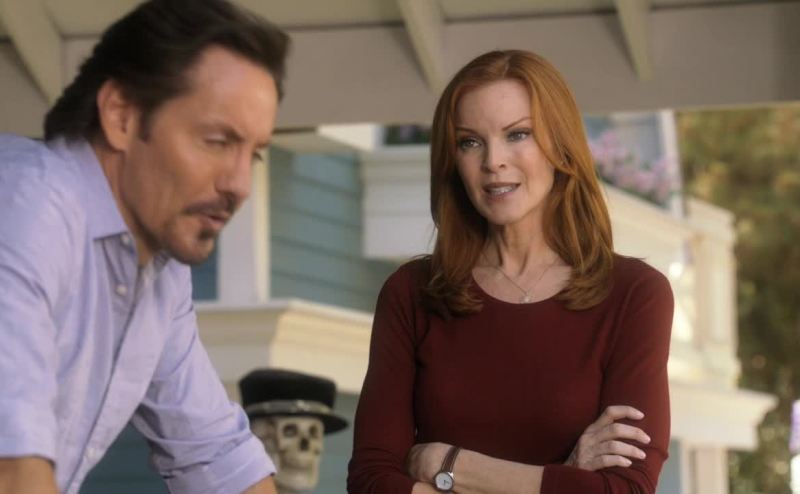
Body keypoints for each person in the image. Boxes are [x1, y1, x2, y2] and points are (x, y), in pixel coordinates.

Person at [347, 50, 673, 493]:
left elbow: (628, 489)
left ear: (560, 146)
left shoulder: (635, 295)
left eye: (518, 134)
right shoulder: (411, 293)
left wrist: (448, 464)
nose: (493, 161)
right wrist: (565, 474)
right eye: (470, 142)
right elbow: (370, 482)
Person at [0, 1, 288, 493]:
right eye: (218, 141)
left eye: (254, 154)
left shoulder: (158, 269)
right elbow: (11, 470)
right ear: (122, 116)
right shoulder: (29, 206)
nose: (239, 184)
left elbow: (217, 457)